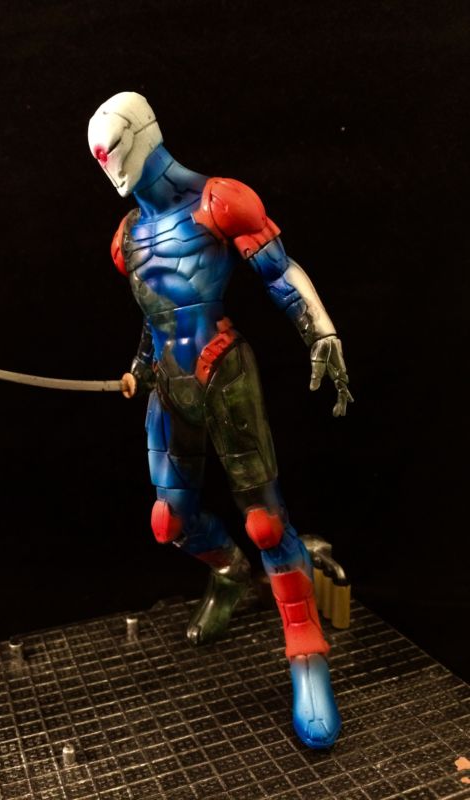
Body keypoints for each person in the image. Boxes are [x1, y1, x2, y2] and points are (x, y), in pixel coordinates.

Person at [88, 91, 352, 749]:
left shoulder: (219, 200)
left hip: (223, 371)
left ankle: (306, 651)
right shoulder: (126, 237)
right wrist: (139, 367)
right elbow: (155, 317)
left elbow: (279, 271)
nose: (109, 166)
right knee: (169, 522)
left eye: (112, 149)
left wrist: (320, 331)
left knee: (266, 521)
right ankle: (231, 575)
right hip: (169, 387)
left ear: (141, 136)